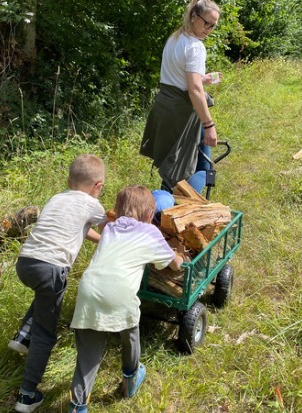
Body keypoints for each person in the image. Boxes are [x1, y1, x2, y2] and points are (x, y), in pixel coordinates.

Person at [67, 185, 184, 413]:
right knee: (130, 334)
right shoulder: (151, 232)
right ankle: (131, 378)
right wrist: (178, 255)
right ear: (150, 215)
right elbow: (174, 264)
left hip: (89, 289)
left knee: (88, 356)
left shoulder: (110, 229)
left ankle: (78, 406)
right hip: (120, 293)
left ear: (118, 210)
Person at [9, 154, 108, 413]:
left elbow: (80, 227)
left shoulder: (57, 198)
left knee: (45, 294)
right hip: (52, 268)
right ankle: (27, 395)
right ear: (97, 186)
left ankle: (22, 337)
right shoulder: (92, 204)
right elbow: (112, 224)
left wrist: (99, 240)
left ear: (68, 180)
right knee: (46, 333)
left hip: (27, 262)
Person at [140, 0, 221, 193]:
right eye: (206, 23)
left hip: (165, 107)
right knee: (179, 171)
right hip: (180, 113)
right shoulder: (195, 47)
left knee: (181, 166)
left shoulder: (175, 39)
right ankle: (169, 211)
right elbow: (193, 90)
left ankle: (171, 208)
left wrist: (203, 79)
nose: (209, 29)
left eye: (213, 25)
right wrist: (209, 125)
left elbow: (180, 78)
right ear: (194, 17)